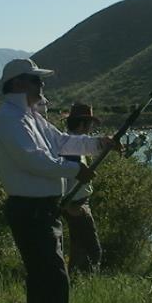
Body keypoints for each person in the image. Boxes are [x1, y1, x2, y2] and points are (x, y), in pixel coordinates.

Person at [0, 58, 116, 303]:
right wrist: (75, 172)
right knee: (53, 279)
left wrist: (100, 143)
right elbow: (33, 161)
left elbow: (62, 142)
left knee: (46, 280)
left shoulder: (30, 117)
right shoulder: (9, 119)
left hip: (42, 211)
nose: (41, 85)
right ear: (19, 84)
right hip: (30, 212)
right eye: (36, 80)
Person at [61, 103, 103, 273]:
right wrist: (69, 206)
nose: (91, 127)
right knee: (93, 250)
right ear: (82, 124)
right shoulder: (72, 146)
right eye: (89, 123)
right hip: (76, 205)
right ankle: (85, 283)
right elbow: (62, 176)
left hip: (77, 204)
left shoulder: (73, 143)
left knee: (79, 248)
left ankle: (74, 282)